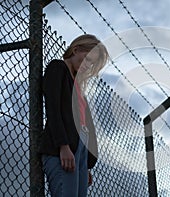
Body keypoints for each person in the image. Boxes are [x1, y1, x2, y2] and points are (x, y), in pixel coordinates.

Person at [39, 34, 109, 196]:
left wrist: (85, 165)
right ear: (76, 50)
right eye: (87, 58)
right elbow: (53, 109)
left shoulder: (77, 85)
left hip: (80, 148)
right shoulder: (58, 68)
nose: (88, 65)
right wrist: (63, 146)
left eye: (92, 63)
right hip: (63, 147)